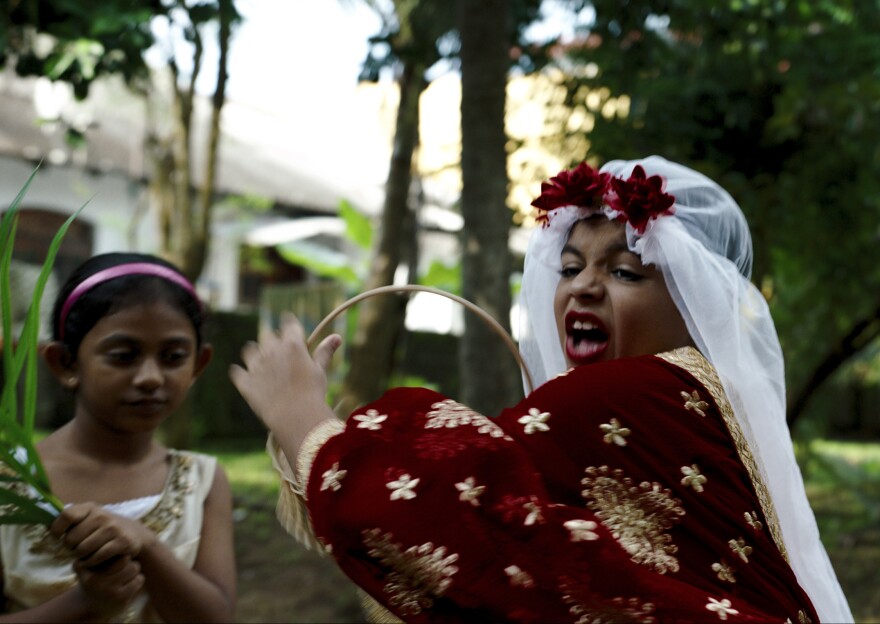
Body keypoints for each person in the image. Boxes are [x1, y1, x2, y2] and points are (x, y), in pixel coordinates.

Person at [230, 156, 852, 623]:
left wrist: (303, 420)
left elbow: (451, 510)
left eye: (625, 271)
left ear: (695, 303)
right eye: (571, 267)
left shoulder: (633, 392)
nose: (582, 287)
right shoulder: (693, 405)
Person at [0, 252, 236, 622]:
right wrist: (85, 602)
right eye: (123, 356)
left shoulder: (202, 482)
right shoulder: (9, 480)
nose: (150, 377)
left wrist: (146, 545)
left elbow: (215, 616)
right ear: (65, 363)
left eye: (173, 357)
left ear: (198, 364)